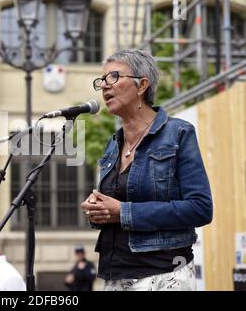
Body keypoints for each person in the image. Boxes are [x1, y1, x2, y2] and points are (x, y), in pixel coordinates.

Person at [81, 49, 213, 291]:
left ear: (142, 85)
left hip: (164, 274)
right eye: (102, 81)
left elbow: (200, 208)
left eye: (114, 77)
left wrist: (124, 212)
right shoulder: (113, 144)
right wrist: (97, 210)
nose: (104, 87)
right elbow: (115, 208)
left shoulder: (178, 133)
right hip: (116, 274)